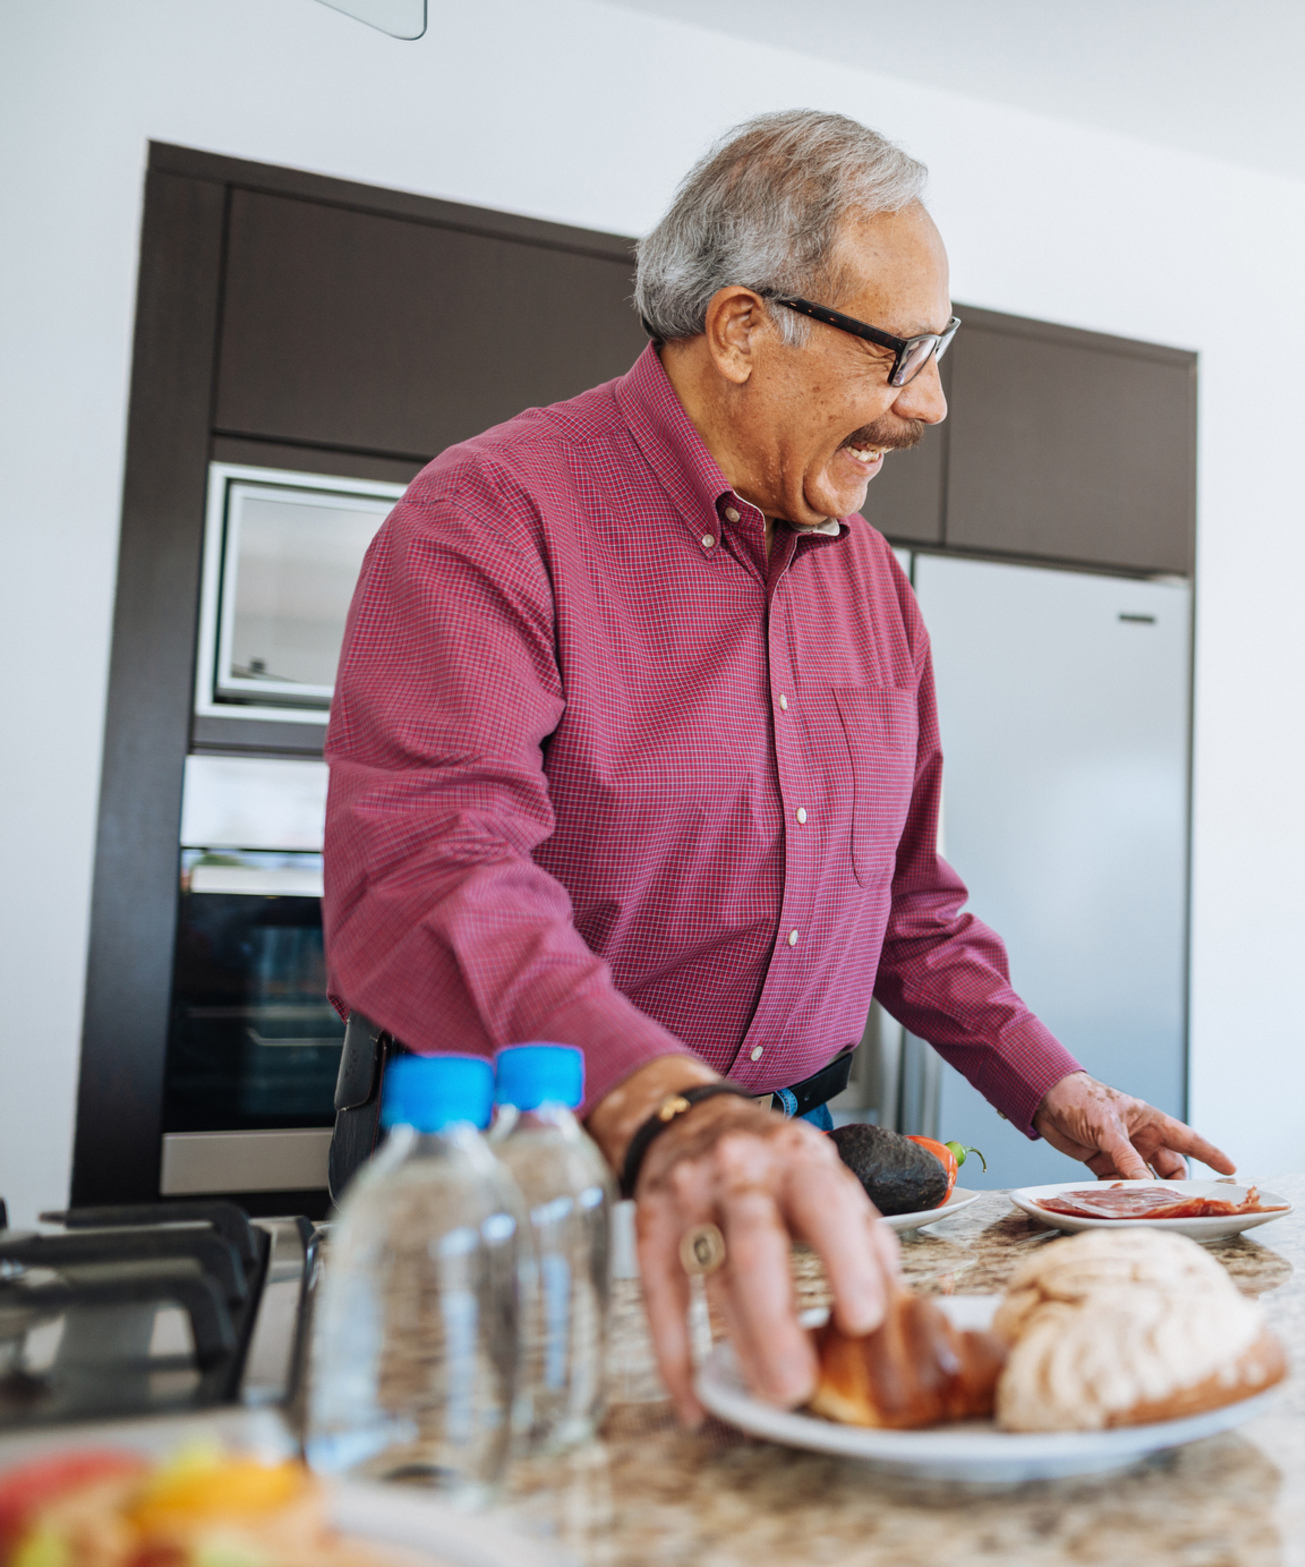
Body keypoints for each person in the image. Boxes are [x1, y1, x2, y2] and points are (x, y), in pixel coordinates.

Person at [321, 110, 1232, 1426]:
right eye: (899, 353)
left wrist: (1059, 1090)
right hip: (507, 1171)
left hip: (785, 1170)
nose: (931, 402)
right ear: (744, 330)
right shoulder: (491, 517)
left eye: (942, 349)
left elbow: (912, 908)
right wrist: (670, 1106)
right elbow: (429, 876)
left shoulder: (873, 583)